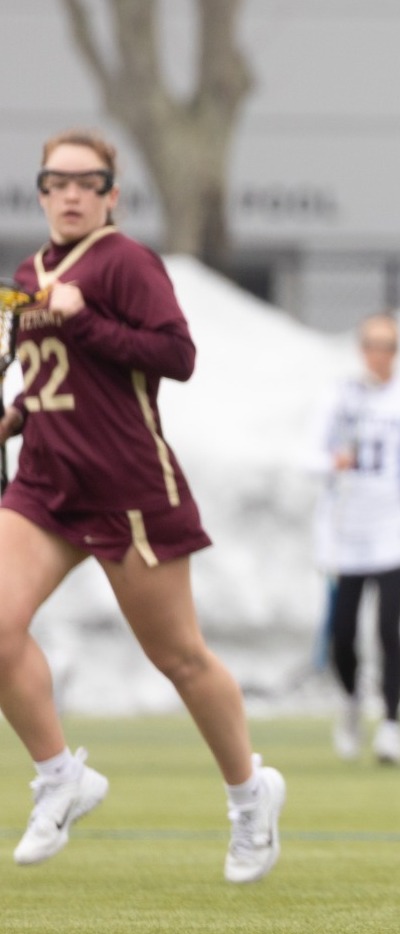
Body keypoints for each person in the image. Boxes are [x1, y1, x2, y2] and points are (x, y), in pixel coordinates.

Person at [0, 129, 285, 883]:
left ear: (110, 193)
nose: (69, 193)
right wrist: (19, 413)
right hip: (44, 486)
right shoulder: (31, 269)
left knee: (179, 657)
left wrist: (81, 317)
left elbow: (176, 356)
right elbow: (56, 376)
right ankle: (62, 776)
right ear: (40, 191)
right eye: (55, 181)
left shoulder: (126, 261)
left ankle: (250, 794)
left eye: (86, 182)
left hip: (127, 487)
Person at [310, 313, 400, 764]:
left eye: (388, 345)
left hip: (395, 531)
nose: (379, 354)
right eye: (372, 344)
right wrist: (333, 462)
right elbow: (309, 453)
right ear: (361, 348)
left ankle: (391, 723)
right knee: (343, 632)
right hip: (346, 531)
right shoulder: (340, 394)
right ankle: (349, 704)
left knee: (389, 628)